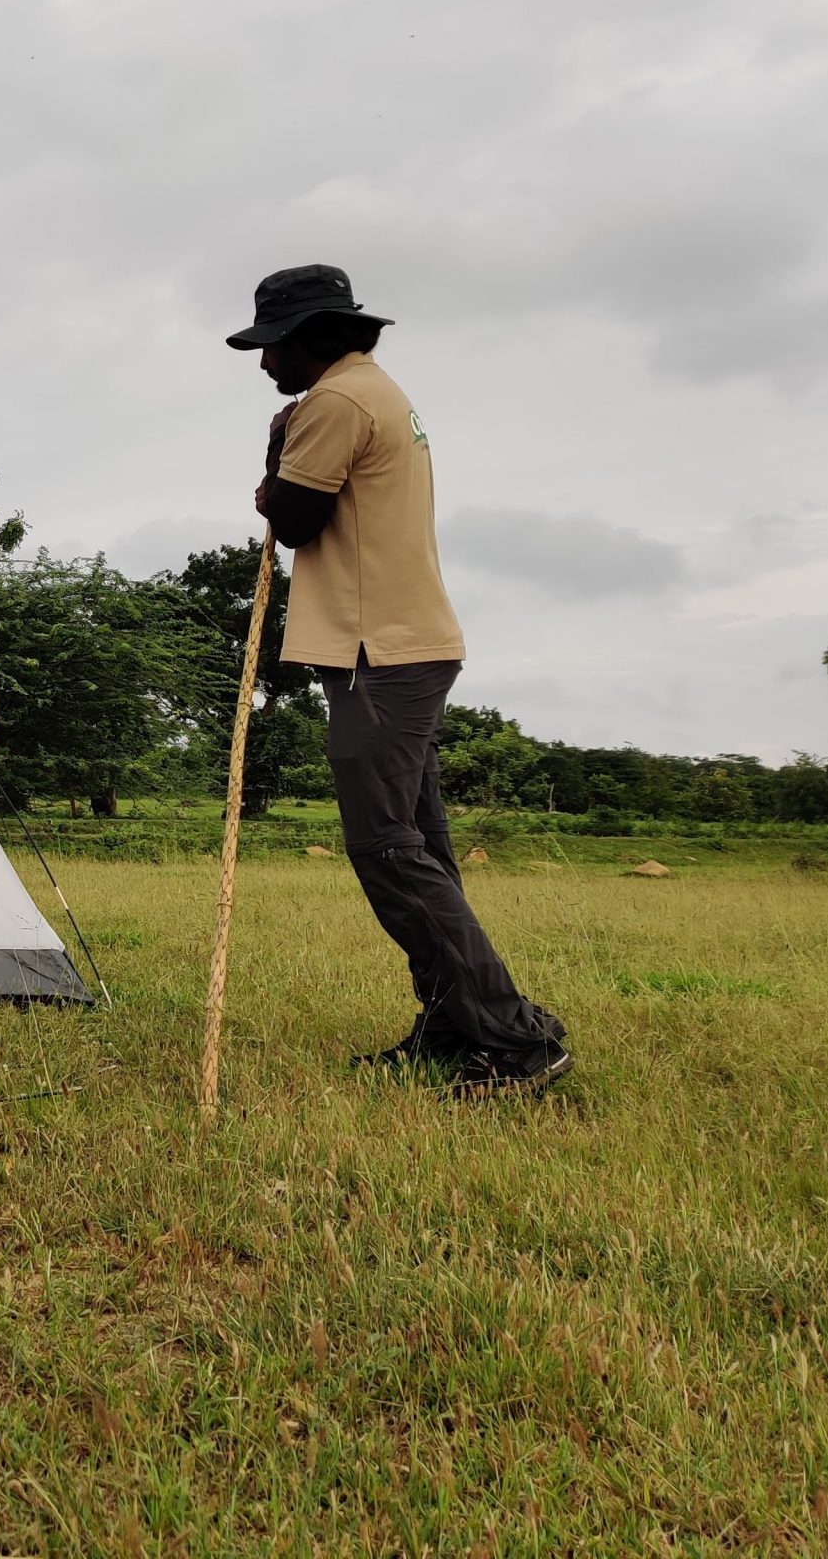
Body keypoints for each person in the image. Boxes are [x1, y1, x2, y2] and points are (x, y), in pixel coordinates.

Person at [232, 263, 570, 1096]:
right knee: (417, 845)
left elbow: (297, 519)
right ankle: (457, 1025)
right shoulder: (378, 393)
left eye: (274, 346)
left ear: (315, 339)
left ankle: (517, 1037)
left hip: (376, 651)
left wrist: (274, 470)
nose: (265, 363)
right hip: (400, 645)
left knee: (384, 846)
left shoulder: (335, 403)